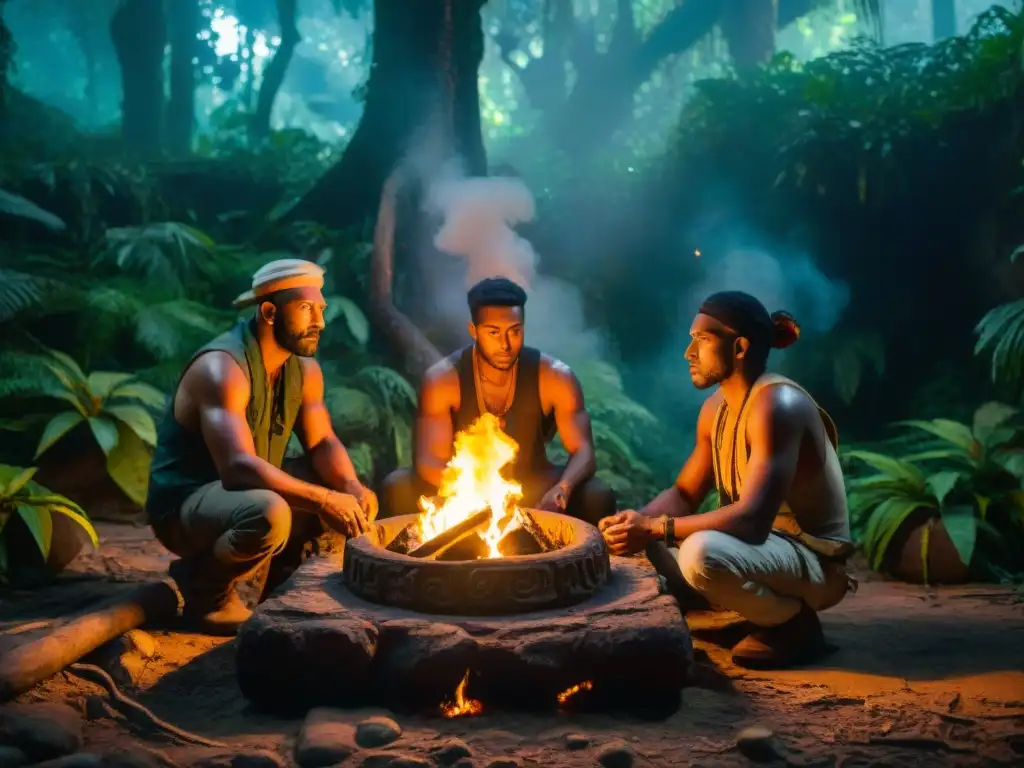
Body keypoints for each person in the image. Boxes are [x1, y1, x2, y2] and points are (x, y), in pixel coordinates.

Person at [599, 291, 855, 670]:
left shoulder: (778, 404)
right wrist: (631, 525)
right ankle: (741, 613)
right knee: (646, 544)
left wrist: (653, 527)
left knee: (699, 553)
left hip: (812, 563)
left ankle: (794, 625)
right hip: (763, 554)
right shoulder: (715, 409)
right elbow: (685, 493)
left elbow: (751, 522)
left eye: (702, 340)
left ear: (740, 347)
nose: (689, 352)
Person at [145, 259, 378, 636]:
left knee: (344, 491)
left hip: (240, 493)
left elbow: (322, 442)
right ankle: (206, 592)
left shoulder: (303, 368)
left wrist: (350, 489)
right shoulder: (223, 368)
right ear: (269, 312)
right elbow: (237, 468)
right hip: (186, 506)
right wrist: (322, 499)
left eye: (321, 309)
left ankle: (282, 591)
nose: (319, 321)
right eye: (306, 309)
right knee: (271, 512)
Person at [379, 277, 616, 526]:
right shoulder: (444, 379)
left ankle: (579, 561)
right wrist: (481, 493)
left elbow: (584, 452)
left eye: (515, 331)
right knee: (398, 487)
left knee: (596, 496)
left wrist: (563, 488)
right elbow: (429, 461)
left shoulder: (555, 377)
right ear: (474, 331)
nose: (505, 344)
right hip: (462, 490)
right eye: (493, 332)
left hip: (530, 488)